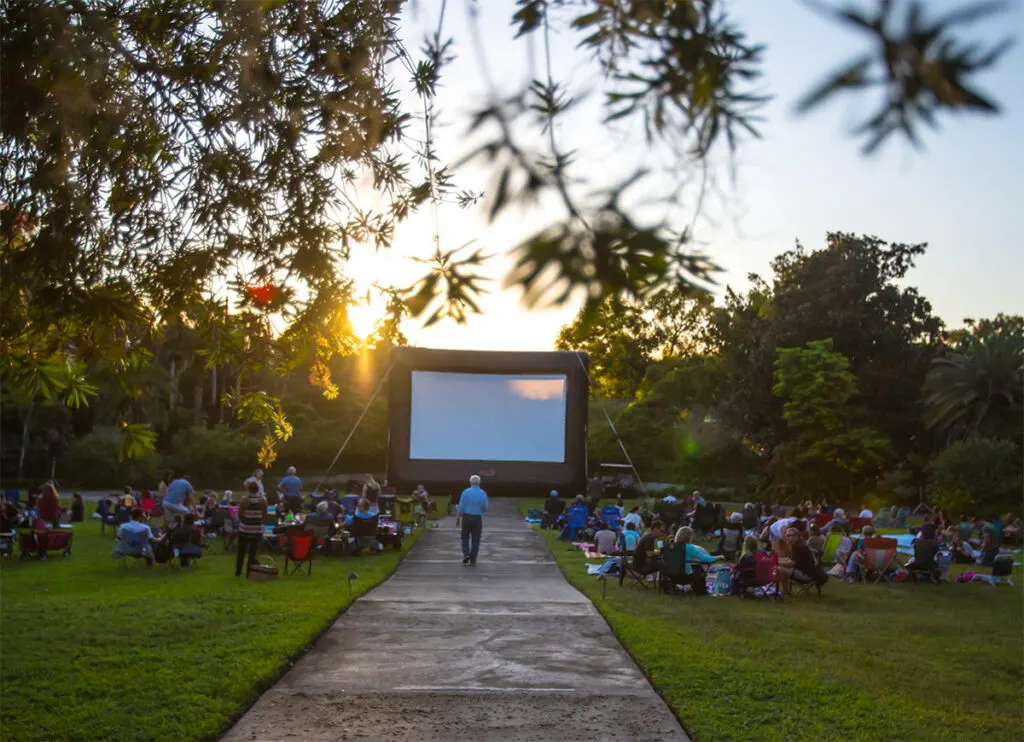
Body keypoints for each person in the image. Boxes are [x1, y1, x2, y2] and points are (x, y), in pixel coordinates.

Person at [670, 526, 722, 595]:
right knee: (699, 569)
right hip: (685, 576)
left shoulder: (671, 546)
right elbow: (706, 559)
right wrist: (719, 557)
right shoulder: (690, 548)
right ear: (689, 537)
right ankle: (700, 590)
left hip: (672, 575)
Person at [778, 526, 826, 595]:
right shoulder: (798, 544)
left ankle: (785, 591)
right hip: (809, 572)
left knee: (780, 569)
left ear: (796, 536)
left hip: (807, 575)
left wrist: (776, 562)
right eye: (786, 535)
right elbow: (790, 559)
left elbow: (790, 564)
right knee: (780, 566)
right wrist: (777, 559)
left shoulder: (799, 547)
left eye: (789, 535)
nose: (787, 537)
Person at [235, 481, 267, 577]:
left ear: (248, 489)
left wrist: (245, 520)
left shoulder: (244, 500)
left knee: (241, 552)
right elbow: (264, 516)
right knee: (252, 553)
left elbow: (240, 514)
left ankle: (238, 572)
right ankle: (249, 573)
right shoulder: (263, 501)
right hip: (257, 530)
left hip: (244, 529)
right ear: (258, 489)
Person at [457, 475, 488, 565]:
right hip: (477, 517)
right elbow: (485, 507)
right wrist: (480, 510)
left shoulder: (465, 492)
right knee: (476, 539)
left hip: (466, 517)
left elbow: (461, 506)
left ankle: (466, 553)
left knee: (465, 536)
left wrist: (458, 517)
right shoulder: (482, 493)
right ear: (479, 482)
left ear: (470, 482)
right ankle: (473, 558)